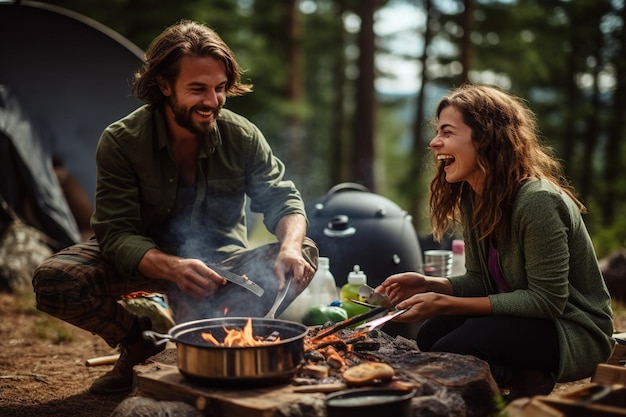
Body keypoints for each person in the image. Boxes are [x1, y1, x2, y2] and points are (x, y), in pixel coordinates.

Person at [32, 20, 318, 395]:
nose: (212, 102)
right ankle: (139, 344)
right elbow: (115, 234)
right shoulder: (121, 141)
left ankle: (228, 338)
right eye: (197, 89)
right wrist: (173, 266)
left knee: (305, 251)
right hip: (141, 262)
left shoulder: (242, 136)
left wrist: (290, 247)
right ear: (164, 86)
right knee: (56, 280)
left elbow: (284, 199)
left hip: (219, 272)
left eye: (220, 89)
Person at [378, 84, 614, 401]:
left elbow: (547, 301)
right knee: (432, 334)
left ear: (486, 138)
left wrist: (448, 303)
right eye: (437, 132)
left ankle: (520, 377)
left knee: (453, 348)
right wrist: (430, 284)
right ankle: (525, 374)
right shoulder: (474, 198)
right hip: (527, 320)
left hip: (569, 330)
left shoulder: (538, 201)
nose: (434, 143)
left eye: (447, 132)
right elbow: (480, 280)